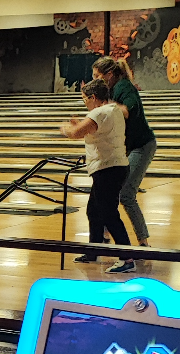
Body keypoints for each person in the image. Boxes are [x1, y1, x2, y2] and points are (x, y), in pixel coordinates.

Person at [60, 79, 134, 274]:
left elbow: (76, 133)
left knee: (109, 213)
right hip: (116, 167)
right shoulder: (114, 110)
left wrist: (67, 129)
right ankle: (93, 251)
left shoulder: (99, 112)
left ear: (93, 97)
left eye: (85, 99)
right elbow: (96, 130)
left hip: (107, 169)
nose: (85, 103)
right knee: (94, 210)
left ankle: (127, 257)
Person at [92, 56, 157, 247]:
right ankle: (104, 234)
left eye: (97, 76)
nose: (95, 79)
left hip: (141, 146)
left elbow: (128, 110)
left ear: (109, 74)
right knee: (108, 191)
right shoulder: (111, 89)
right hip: (127, 148)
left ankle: (143, 242)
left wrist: (108, 107)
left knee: (126, 194)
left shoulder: (124, 87)